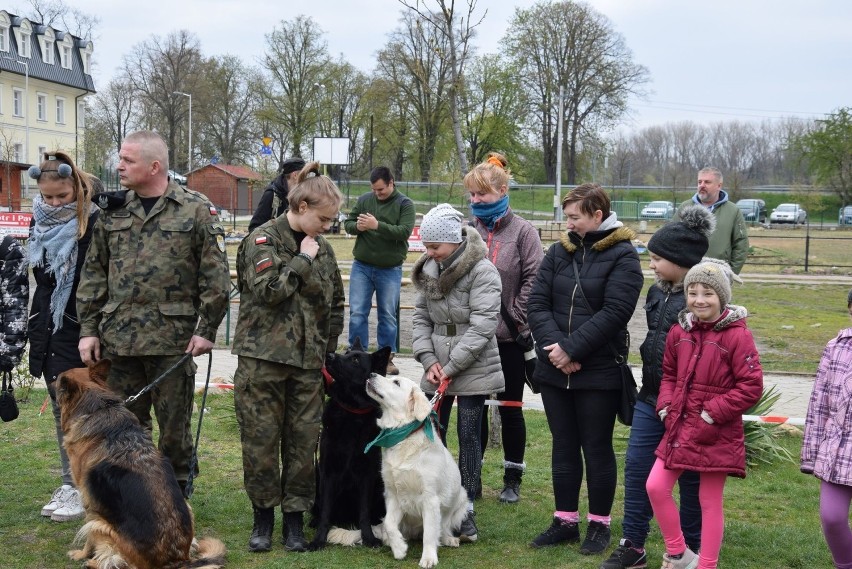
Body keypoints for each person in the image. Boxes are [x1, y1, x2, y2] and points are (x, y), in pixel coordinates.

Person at [76, 130, 230, 497]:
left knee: (175, 428)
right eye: (120, 158)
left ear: (154, 165)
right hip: (120, 341)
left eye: (128, 160)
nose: (119, 165)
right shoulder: (112, 211)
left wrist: (207, 329)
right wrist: (88, 329)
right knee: (124, 427)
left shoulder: (195, 209)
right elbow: (94, 273)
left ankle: (176, 499)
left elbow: (216, 277)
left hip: (173, 342)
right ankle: (133, 497)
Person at [232, 162, 345, 553]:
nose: (328, 226)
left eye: (332, 220)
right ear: (299, 206)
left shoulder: (324, 249)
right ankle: (262, 518)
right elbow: (268, 291)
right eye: (324, 218)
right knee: (261, 445)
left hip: (308, 365)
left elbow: (334, 304)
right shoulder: (261, 242)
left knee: (302, 446)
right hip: (262, 361)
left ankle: (294, 522)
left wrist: (327, 353)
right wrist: (303, 259)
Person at [527, 183, 643, 555]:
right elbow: (537, 305)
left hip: (599, 371)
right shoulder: (559, 251)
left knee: (595, 446)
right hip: (554, 367)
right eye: (567, 217)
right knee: (563, 445)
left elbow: (615, 312)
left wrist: (572, 348)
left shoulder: (624, 255)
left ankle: (599, 524)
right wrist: (556, 350)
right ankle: (564, 520)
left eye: (575, 217)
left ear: (597, 215)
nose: (569, 224)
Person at [600, 205, 714, 569]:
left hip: (690, 407)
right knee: (637, 468)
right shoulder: (656, 292)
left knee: (690, 480)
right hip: (651, 399)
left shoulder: (700, 300)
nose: (651, 263)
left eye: (657, 258)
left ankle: (690, 548)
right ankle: (633, 544)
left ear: (680, 261)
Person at [646, 258, 763, 569]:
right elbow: (668, 374)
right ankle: (679, 553)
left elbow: (751, 386)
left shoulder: (738, 335)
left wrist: (712, 413)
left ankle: (707, 564)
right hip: (680, 426)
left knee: (709, 502)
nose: (699, 300)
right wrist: (665, 405)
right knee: (655, 486)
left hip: (716, 431)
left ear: (722, 297)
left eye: (708, 293)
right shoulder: (678, 332)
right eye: (693, 292)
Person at [411, 203, 504, 543]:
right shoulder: (429, 270)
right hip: (435, 366)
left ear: (454, 241)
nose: (429, 252)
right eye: (427, 246)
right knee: (430, 436)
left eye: (434, 246)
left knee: (468, 437)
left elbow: (482, 327)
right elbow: (420, 318)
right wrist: (427, 359)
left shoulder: (482, 271)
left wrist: (450, 367)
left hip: (472, 366)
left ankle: (465, 511)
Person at [466, 152, 543, 503]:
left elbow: (534, 279)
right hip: (473, 340)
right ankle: (471, 475)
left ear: (501, 190)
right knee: (474, 409)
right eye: (471, 195)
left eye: (481, 194)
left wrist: (514, 313)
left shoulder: (525, 232)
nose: (475, 201)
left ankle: (513, 478)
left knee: (510, 408)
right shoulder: (467, 232)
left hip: (510, 339)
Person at [26, 152, 98, 522]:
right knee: (61, 415)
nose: (54, 203)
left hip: (80, 332)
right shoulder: (37, 224)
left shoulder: (94, 224)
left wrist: (91, 330)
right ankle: (71, 483)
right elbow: (42, 284)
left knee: (83, 416)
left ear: (77, 188)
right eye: (48, 197)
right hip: (48, 330)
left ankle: (87, 488)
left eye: (62, 196)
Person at [344, 166, 415, 374]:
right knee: (357, 311)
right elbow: (348, 224)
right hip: (362, 266)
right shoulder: (365, 200)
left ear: (391, 183)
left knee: (387, 314)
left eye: (381, 190)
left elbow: (404, 232)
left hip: (390, 269)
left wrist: (377, 226)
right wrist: (357, 227)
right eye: (374, 190)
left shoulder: (405, 204)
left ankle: (386, 358)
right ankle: (357, 354)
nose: (377, 194)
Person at [801, 288, 852, 569]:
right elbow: (818, 404)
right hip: (838, 452)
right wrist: (812, 454)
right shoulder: (837, 346)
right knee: (831, 518)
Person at [673, 167, 748, 274]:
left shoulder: (733, 211)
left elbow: (741, 244)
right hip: (687, 272)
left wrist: (731, 273)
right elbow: (671, 238)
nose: (702, 185)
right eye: (700, 182)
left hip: (718, 273)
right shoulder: (685, 207)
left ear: (719, 185)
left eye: (707, 182)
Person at [248, 156, 306, 231]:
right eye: (304, 175)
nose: (306, 179)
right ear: (295, 175)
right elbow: (254, 228)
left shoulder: (299, 196)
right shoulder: (272, 194)